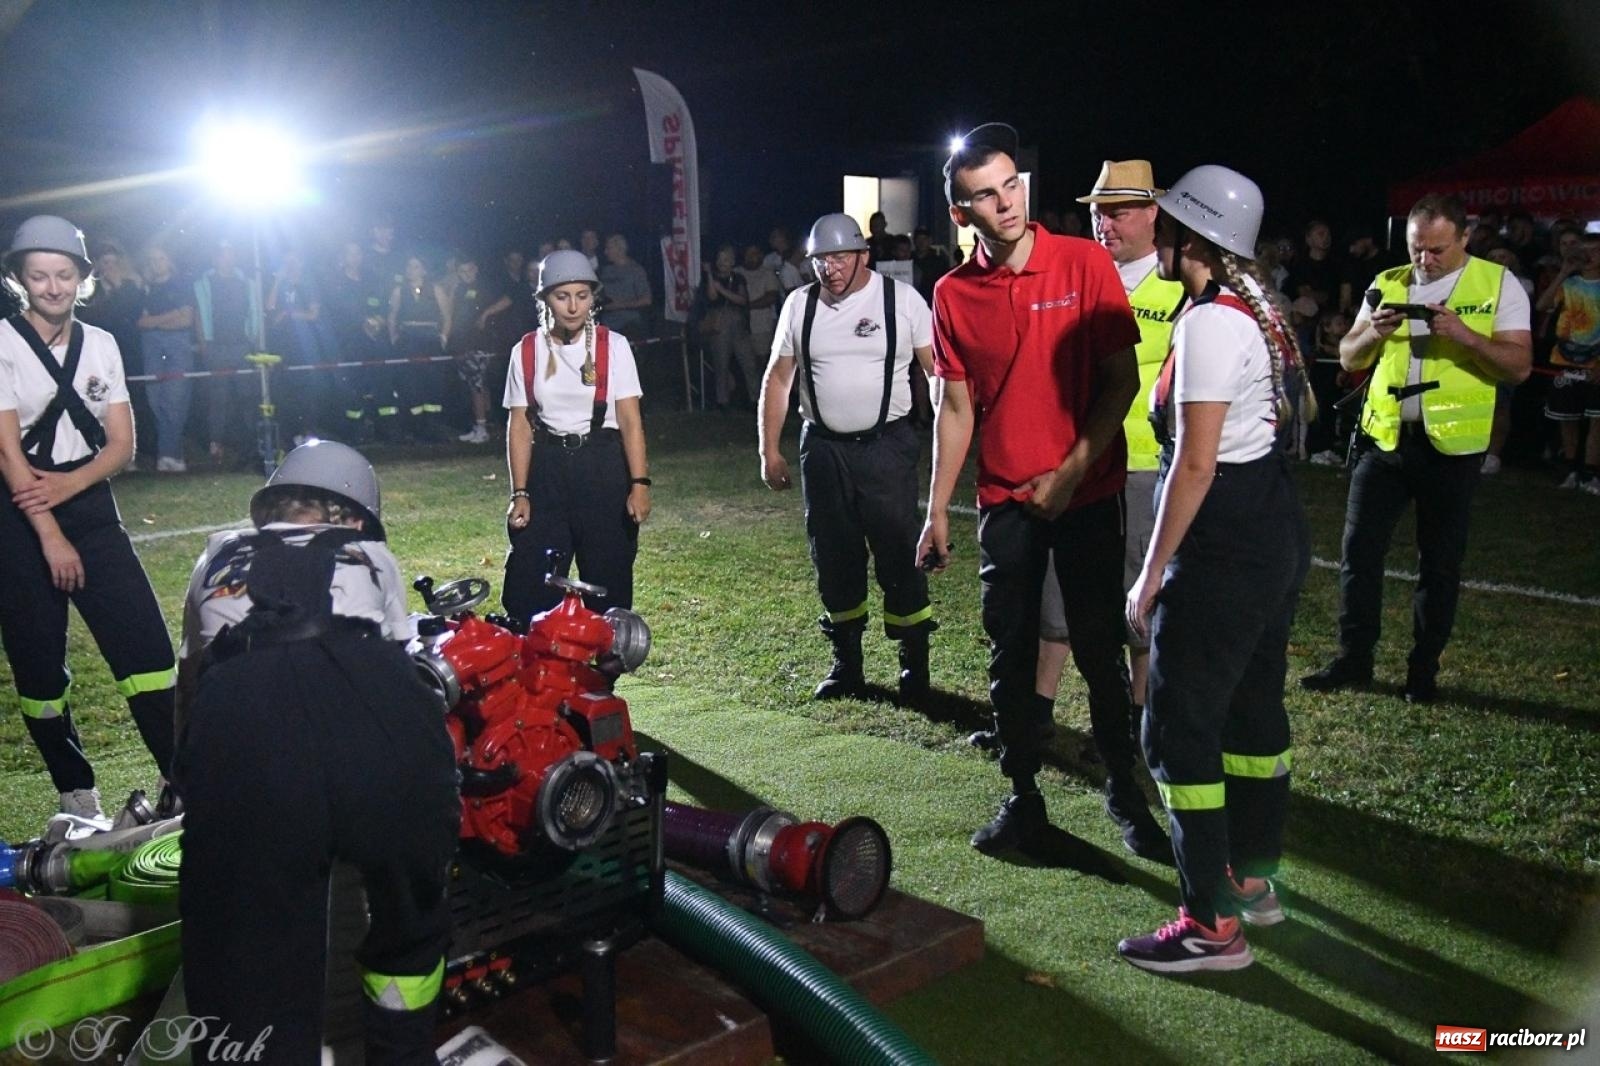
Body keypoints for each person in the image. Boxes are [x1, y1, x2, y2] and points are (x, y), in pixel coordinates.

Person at [174, 440, 458, 1061]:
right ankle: (402, 1050)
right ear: (353, 516)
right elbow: (400, 670)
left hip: (246, 719)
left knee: (245, 945)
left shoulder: (217, 555)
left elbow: (194, 679)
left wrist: (196, 779)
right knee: (412, 907)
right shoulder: (373, 555)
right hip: (375, 706)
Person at [917, 124, 1141, 855]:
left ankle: (1126, 792)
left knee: (1100, 646)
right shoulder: (952, 295)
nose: (1006, 202)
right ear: (961, 214)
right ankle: (1022, 796)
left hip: (1087, 493)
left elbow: (1121, 381)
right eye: (985, 194)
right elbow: (956, 410)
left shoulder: (1084, 263)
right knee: (1008, 652)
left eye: (1011, 184)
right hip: (1006, 501)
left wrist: (1073, 469)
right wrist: (934, 513)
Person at [1116, 165, 1312, 972]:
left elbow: (1194, 466)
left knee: (1177, 729)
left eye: (1163, 225)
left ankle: (1209, 922)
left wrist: (1150, 572)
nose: (1154, 236)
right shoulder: (1251, 314)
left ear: (1192, 237)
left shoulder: (1207, 324)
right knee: (1252, 719)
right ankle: (1253, 881)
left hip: (1223, 542)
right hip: (1273, 530)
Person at [1302, 194, 1532, 703]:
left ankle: (1422, 671)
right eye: (1415, 249)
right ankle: (1353, 659)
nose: (1424, 261)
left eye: (1436, 250)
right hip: (1383, 441)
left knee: (1440, 563)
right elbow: (1347, 353)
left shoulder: (1497, 285)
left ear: (1464, 238)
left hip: (1451, 449)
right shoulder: (1388, 283)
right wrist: (1371, 336)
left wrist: (1466, 335)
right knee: (1358, 555)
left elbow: (1518, 366)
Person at [0, 215, 176, 820]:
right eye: (39, 275)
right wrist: (50, 535)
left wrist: (70, 489)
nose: (53, 286)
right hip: (18, 516)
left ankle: (184, 780)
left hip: (90, 505)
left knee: (149, 654)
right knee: (40, 670)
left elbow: (121, 445)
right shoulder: (1, 342)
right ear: (20, 280)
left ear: (83, 278)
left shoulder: (101, 343)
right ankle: (76, 792)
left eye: (64, 274)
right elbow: (6, 451)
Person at [1059, 158, 1187, 859]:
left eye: (1121, 209)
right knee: (1078, 608)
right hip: (1085, 470)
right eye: (1100, 210)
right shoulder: (1082, 278)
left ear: (1152, 215)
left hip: (1145, 469)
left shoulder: (1173, 289)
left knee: (1142, 606)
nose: (1107, 221)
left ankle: (1140, 727)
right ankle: (1089, 725)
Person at [758, 213, 937, 705]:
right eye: (820, 259)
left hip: (887, 446)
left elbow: (936, 372)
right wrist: (768, 448)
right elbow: (778, 378)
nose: (829, 269)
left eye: (839, 257)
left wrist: (949, 428)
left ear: (863, 256)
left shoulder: (901, 301)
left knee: (899, 550)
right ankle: (847, 665)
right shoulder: (800, 305)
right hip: (823, 450)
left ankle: (913, 666)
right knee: (833, 554)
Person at [503, 250, 651, 621]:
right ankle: (541, 671)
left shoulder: (613, 346)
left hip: (601, 466)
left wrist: (640, 483)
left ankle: (602, 673)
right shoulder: (526, 350)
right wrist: (520, 492)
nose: (573, 306)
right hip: (548, 467)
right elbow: (520, 424)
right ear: (544, 299)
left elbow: (630, 419)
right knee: (529, 585)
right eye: (562, 296)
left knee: (608, 581)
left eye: (582, 296)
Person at [1536, 230, 1600, 492]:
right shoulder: (1569, 284)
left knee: (1597, 419)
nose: (1588, 256)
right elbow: (1542, 305)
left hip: (1595, 362)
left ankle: (1591, 473)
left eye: (1595, 251)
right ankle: (1571, 469)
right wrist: (1563, 272)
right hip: (1565, 360)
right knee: (1567, 418)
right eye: (1584, 251)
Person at [194, 240, 263, 465]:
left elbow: (254, 311)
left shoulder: (247, 283)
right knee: (218, 398)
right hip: (216, 347)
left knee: (247, 396)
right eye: (223, 254)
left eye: (231, 254)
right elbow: (198, 313)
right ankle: (216, 445)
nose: (228, 258)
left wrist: (253, 338)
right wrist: (203, 342)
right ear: (215, 258)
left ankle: (249, 445)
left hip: (242, 346)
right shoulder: (204, 283)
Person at [137, 245, 195, 473]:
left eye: (160, 258)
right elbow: (141, 323)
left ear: (169, 261)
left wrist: (156, 321)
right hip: (151, 344)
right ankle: (169, 454)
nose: (156, 264)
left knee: (175, 399)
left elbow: (187, 320)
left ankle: (170, 454)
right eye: (152, 260)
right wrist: (171, 315)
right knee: (156, 400)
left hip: (178, 343)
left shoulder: (182, 284)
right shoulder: (146, 288)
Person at [388, 255, 451, 440]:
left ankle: (434, 425)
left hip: (430, 339)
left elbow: (447, 315)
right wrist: (394, 338)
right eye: (409, 266)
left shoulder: (436, 289)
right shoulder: (399, 291)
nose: (411, 270)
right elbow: (392, 315)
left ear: (424, 270)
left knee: (433, 383)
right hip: (408, 339)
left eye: (416, 266)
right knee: (410, 384)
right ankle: (417, 426)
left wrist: (444, 337)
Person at [447, 254, 502, 445]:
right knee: (475, 385)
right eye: (462, 271)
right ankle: (481, 425)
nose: (466, 274)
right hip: (464, 344)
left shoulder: (485, 286)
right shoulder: (460, 289)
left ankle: (482, 428)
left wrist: (487, 313)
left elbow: (508, 299)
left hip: (482, 345)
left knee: (477, 386)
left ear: (476, 268)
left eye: (469, 270)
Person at [597, 234, 652, 339]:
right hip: (606, 324)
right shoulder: (605, 271)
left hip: (629, 324)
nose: (605, 252)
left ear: (619, 249)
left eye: (609, 248)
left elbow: (646, 300)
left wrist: (620, 305)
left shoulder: (635, 270)